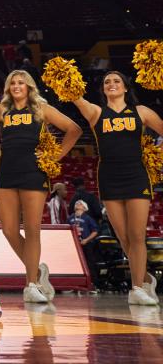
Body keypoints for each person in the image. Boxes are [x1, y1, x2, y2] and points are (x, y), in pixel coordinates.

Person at [0, 70, 81, 303]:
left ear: (29, 87)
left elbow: (74, 129)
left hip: (34, 172)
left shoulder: (42, 109)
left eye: (21, 82)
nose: (16, 86)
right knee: (9, 230)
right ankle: (38, 271)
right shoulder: (3, 111)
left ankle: (31, 283)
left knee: (32, 229)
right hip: (7, 174)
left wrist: (56, 157)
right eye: (12, 83)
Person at [70, 70, 163, 305]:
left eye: (116, 81)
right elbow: (75, 96)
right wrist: (64, 77)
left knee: (137, 234)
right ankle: (144, 279)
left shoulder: (141, 112)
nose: (111, 84)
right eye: (107, 82)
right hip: (109, 178)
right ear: (103, 90)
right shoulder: (96, 113)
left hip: (137, 176)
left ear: (125, 87)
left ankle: (137, 288)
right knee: (123, 237)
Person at [67, 199, 100, 286]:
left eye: (80, 203)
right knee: (74, 264)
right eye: (77, 203)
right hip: (74, 246)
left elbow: (95, 231)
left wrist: (87, 240)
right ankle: (74, 283)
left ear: (85, 208)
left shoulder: (88, 218)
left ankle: (93, 283)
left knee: (89, 263)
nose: (78, 203)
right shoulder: (70, 218)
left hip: (86, 244)